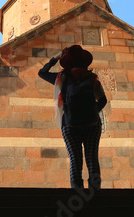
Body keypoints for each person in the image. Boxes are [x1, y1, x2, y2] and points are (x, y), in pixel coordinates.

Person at [38, 45, 107, 190]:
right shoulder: (92, 79)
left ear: (67, 63)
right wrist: (94, 111)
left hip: (70, 125)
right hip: (93, 125)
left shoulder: (62, 78)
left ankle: (76, 191)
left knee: (75, 159)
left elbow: (42, 73)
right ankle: (94, 192)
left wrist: (56, 57)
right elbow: (103, 100)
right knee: (92, 158)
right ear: (84, 62)